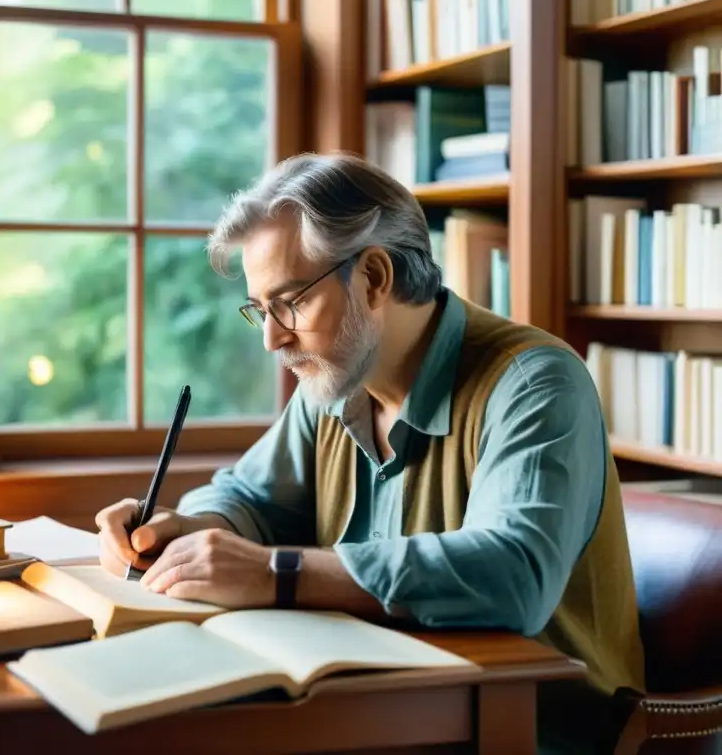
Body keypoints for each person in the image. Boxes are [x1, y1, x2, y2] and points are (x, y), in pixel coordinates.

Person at [94, 153, 645, 752]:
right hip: (387, 712)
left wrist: (275, 574)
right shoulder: (333, 383)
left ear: (375, 278)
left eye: (290, 303)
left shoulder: (535, 384)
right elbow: (248, 495)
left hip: (525, 730)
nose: (272, 337)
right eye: (261, 308)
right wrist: (193, 531)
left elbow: (513, 576)